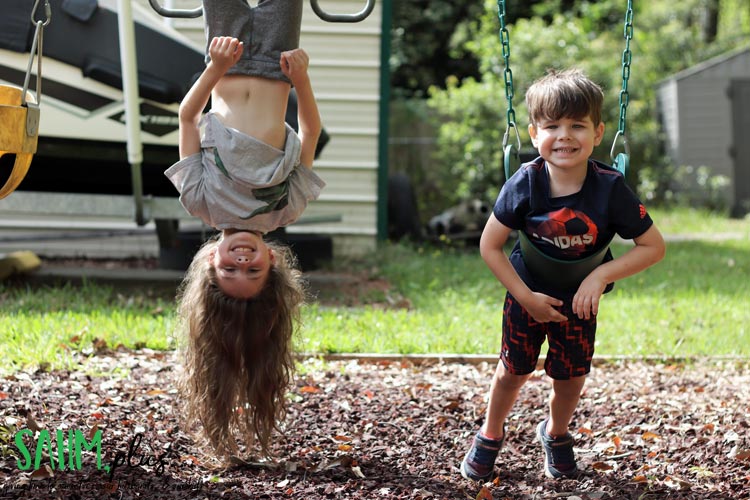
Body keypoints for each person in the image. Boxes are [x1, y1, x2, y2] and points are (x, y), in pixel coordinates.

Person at [459, 68, 666, 481]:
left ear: (598, 132)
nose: (565, 136)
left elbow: (653, 247)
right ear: (534, 134)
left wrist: (600, 275)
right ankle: (490, 433)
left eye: (577, 125)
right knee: (513, 369)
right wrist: (524, 297)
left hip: (580, 301)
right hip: (527, 290)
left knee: (570, 376)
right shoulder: (525, 183)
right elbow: (490, 245)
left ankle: (555, 433)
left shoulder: (610, 188)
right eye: (552, 126)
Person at [165, 0, 322, 460]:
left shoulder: (200, 201)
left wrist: (216, 67)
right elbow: (310, 134)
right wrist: (301, 80)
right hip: (278, 67)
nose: (240, 262)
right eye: (251, 272)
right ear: (271, 261)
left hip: (226, 61)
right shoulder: (286, 210)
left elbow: (187, 118)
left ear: (210, 261)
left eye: (229, 271)